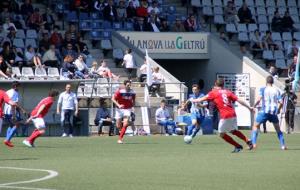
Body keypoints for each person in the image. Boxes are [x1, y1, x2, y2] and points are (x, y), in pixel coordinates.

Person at [192, 79, 253, 153]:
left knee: (221, 134)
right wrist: (249, 107)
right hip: (233, 114)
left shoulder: (213, 93)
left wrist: (192, 100)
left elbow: (200, 99)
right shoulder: (228, 92)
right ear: (223, 85)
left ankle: (238, 146)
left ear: (215, 84)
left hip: (225, 115)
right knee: (233, 131)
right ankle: (247, 140)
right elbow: (239, 100)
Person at [251, 76, 287, 150]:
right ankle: (283, 145)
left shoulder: (263, 89)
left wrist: (253, 106)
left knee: (255, 126)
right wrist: (278, 110)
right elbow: (281, 102)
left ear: (266, 81)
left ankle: (253, 144)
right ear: (272, 82)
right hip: (273, 112)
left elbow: (259, 99)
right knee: (278, 129)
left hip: (264, 112)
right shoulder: (276, 90)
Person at [3, 81, 26, 147]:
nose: (19, 88)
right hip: (11, 111)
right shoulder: (15, 92)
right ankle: (7, 140)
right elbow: (15, 104)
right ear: (15, 86)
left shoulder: (7, 91)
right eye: (18, 86)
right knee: (17, 125)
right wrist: (23, 110)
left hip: (6, 111)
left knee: (11, 125)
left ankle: (7, 139)